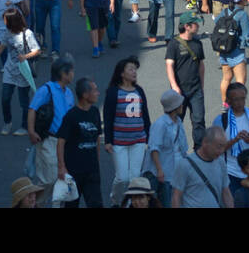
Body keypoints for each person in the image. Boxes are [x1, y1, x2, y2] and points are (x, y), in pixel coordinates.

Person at [27, 58, 76, 208]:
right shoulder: (46, 90)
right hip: (49, 139)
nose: (73, 74)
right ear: (63, 73)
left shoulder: (68, 92)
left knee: (60, 178)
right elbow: (32, 109)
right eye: (71, 71)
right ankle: (36, 203)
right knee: (49, 178)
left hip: (64, 141)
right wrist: (31, 131)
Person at [102, 57, 151, 204]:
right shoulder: (113, 92)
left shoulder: (139, 91)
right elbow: (108, 117)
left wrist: (149, 137)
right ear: (121, 73)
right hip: (119, 141)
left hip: (139, 140)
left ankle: (129, 204)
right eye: (130, 69)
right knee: (122, 177)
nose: (134, 72)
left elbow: (145, 115)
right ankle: (116, 200)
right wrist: (108, 140)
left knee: (134, 177)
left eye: (135, 69)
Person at [0, 8, 40, 135]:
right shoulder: (7, 32)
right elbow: (1, 48)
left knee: (23, 100)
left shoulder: (27, 34)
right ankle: (7, 122)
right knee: (5, 98)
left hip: (23, 70)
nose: (4, 23)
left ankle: (25, 126)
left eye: (5, 20)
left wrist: (25, 57)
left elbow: (37, 50)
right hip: (10, 69)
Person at [56, 76, 104, 208]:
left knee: (96, 204)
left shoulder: (94, 112)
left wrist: (96, 160)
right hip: (74, 172)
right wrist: (62, 167)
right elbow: (61, 142)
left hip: (92, 171)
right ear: (85, 94)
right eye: (94, 90)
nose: (98, 93)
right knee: (71, 205)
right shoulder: (71, 116)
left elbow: (97, 138)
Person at [166, 12, 208, 148]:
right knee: (176, 121)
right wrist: (174, 86)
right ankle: (174, 148)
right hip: (179, 90)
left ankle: (199, 149)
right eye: (195, 23)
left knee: (199, 121)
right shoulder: (174, 44)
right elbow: (169, 65)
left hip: (196, 89)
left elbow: (201, 65)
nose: (198, 26)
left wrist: (201, 85)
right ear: (187, 26)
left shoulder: (198, 43)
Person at [145, 89, 189, 207]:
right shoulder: (160, 124)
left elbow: (181, 148)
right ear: (175, 106)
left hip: (176, 170)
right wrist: (159, 170)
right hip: (165, 173)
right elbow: (154, 148)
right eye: (180, 103)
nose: (182, 105)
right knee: (165, 202)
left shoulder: (178, 121)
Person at [171, 125, 235, 207]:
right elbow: (176, 196)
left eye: (223, 146)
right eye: (219, 146)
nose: (222, 151)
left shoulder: (220, 163)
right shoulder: (185, 164)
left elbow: (226, 192)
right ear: (205, 142)